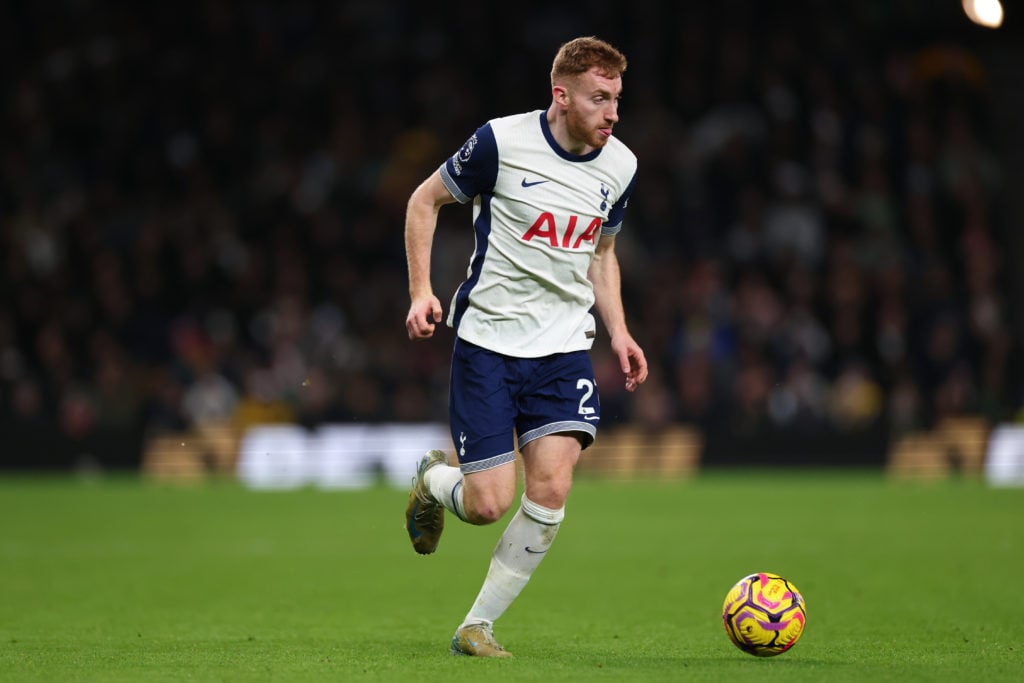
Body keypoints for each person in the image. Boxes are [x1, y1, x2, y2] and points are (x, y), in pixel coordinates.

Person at [403, 36, 648, 658]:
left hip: (565, 349)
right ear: (561, 96)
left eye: (617, 98)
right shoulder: (499, 143)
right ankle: (434, 481)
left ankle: (476, 626)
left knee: (552, 490)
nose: (612, 112)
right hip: (487, 342)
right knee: (487, 506)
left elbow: (601, 251)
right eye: (599, 99)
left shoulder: (621, 165)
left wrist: (618, 331)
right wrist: (420, 292)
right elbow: (423, 201)